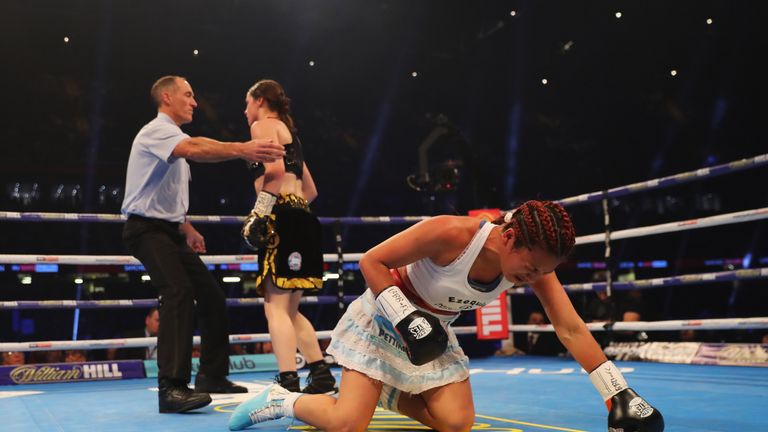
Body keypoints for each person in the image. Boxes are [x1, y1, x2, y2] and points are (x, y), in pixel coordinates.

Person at [229, 200, 664, 432]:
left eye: (543, 272)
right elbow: (371, 262)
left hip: (430, 335)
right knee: (346, 425)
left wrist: (617, 392)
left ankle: (386, 392)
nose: (533, 278)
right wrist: (404, 315)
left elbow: (570, 328)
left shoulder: (532, 267)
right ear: (509, 237)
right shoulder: (451, 233)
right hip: (383, 321)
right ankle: (280, 401)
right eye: (531, 268)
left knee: (456, 423)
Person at [121, 75, 285, 414]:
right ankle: (171, 388)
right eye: (188, 95)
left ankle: (211, 376)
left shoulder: (174, 139)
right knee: (178, 291)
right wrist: (242, 149)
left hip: (170, 230)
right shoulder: (157, 131)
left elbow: (164, 193)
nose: (195, 102)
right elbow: (195, 149)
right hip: (145, 230)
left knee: (211, 297)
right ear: (167, 97)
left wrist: (186, 227)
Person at [239, 79, 336, 395]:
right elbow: (311, 190)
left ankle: (287, 379)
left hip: (280, 215)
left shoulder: (264, 126)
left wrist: (260, 213)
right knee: (290, 310)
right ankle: (320, 373)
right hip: (302, 216)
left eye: (247, 103)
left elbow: (275, 173)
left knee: (275, 308)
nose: (245, 110)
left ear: (261, 100)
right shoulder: (291, 134)